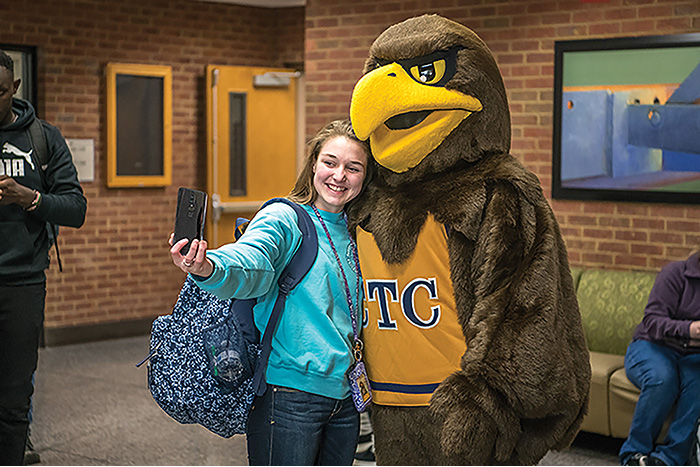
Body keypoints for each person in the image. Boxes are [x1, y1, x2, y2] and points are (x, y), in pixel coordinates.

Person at [169, 119, 371, 466]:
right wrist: (208, 266)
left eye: (353, 168)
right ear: (313, 166)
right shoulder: (285, 218)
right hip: (290, 396)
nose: (340, 176)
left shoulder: (361, 233)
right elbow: (254, 259)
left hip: (346, 398)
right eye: (330, 162)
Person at [0, 50, 87, 465]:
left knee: (15, 393)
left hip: (22, 281)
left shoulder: (43, 137)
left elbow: (75, 208)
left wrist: (29, 198)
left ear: (14, 88)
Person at [619, 250, 700, 466]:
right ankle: (633, 454)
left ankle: (668, 458)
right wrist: (690, 329)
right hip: (652, 346)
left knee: (698, 388)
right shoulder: (675, 273)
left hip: (693, 356)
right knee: (662, 380)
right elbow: (653, 321)